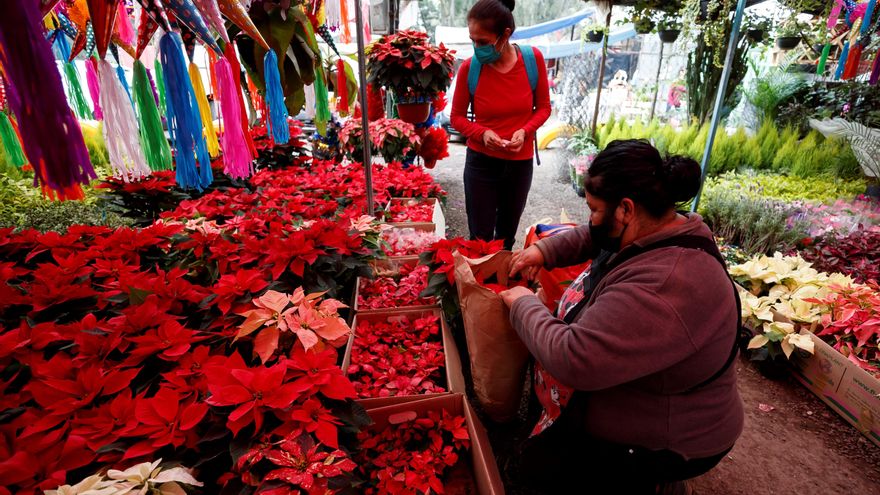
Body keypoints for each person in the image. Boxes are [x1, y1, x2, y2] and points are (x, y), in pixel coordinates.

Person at [501, 139, 744, 493]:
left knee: (539, 476)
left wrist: (524, 303)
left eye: (595, 209)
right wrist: (544, 250)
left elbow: (575, 358)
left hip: (671, 434)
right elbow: (595, 236)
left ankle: (651, 479)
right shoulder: (662, 224)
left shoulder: (668, 282)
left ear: (626, 209)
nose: (590, 219)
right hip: (647, 394)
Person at [450, 0, 552, 250]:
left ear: (505, 34)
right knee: (480, 240)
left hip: (519, 165)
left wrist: (524, 131)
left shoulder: (532, 60)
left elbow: (545, 108)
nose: (477, 48)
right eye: (473, 40)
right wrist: (482, 133)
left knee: (506, 237)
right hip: (481, 163)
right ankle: (479, 287)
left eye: (483, 42)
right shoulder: (469, 68)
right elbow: (456, 118)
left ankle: (501, 287)